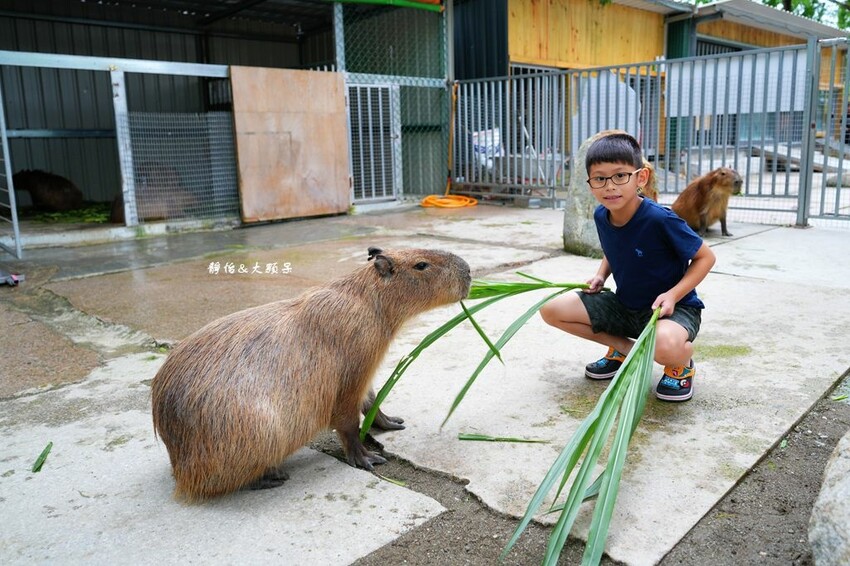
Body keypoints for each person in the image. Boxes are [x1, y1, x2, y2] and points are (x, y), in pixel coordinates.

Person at [540, 133, 716, 401]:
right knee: (552, 310)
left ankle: (681, 366)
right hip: (625, 306)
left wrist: (673, 295)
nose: (610, 186)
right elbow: (615, 248)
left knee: (665, 346)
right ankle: (623, 349)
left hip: (671, 311)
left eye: (620, 176)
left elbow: (706, 258)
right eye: (600, 178)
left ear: (640, 178)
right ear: (590, 184)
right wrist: (601, 275)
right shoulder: (602, 215)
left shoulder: (661, 219)